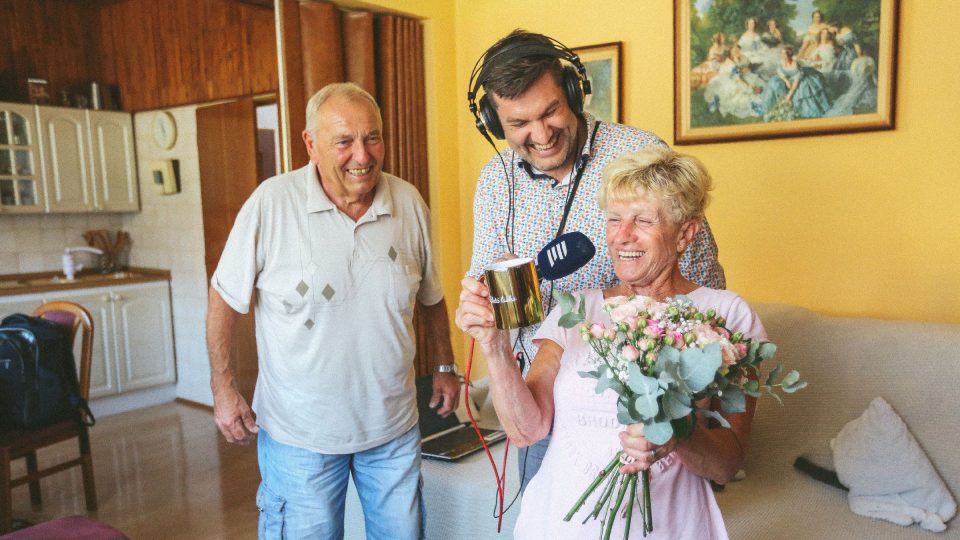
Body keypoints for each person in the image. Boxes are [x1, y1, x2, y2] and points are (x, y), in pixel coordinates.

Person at [458, 29, 726, 492]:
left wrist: (674, 410)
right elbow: (491, 289)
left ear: (573, 93)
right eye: (519, 123)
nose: (540, 135)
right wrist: (485, 308)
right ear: (493, 121)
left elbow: (702, 288)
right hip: (537, 399)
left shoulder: (638, 153)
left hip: (637, 409)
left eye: (550, 112)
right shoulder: (494, 181)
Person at [459, 146, 766, 538]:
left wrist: (677, 434)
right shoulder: (576, 310)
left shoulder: (727, 316)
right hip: (559, 525)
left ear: (686, 233)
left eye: (642, 220)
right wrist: (494, 347)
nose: (622, 236)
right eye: (614, 219)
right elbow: (527, 431)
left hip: (670, 529)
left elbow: (727, 464)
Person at [206, 82, 460, 539]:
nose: (362, 156)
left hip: (393, 429)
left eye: (373, 138)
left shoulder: (409, 202)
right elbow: (224, 299)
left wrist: (444, 363)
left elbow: (431, 296)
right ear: (311, 144)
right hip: (299, 437)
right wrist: (224, 389)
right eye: (344, 141)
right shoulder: (271, 204)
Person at [758, 46, 831, 120]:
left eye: (785, 54)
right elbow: (780, 72)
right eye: (782, 54)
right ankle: (771, 106)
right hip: (788, 78)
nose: (783, 56)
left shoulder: (794, 64)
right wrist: (786, 80)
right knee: (774, 82)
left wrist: (790, 94)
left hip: (798, 80)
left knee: (803, 87)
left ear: (789, 55)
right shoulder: (782, 61)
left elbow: (797, 80)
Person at [703, 46, 763, 120]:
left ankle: (717, 101)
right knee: (737, 94)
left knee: (745, 88)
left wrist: (748, 84)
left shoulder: (731, 62)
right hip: (731, 82)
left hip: (733, 81)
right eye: (735, 51)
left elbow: (737, 76)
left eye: (738, 51)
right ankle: (716, 101)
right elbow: (736, 78)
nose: (738, 52)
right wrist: (749, 86)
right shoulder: (728, 64)